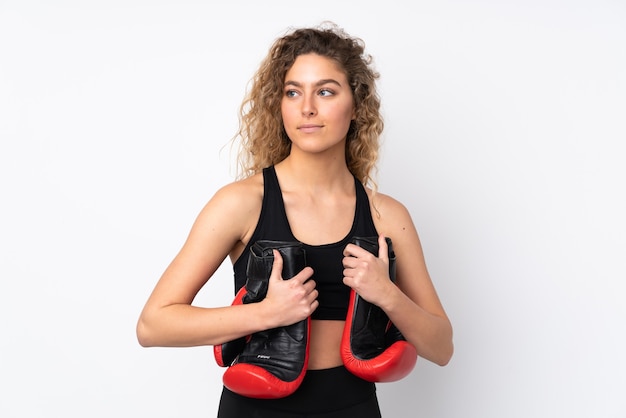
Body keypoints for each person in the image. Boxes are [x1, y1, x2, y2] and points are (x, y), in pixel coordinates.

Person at [136, 22, 453, 417]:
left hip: (352, 407)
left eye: (325, 91)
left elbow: (441, 347)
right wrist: (265, 313)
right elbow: (153, 325)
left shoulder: (386, 215)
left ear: (355, 105)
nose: (307, 108)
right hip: (254, 409)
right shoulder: (241, 203)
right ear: (280, 104)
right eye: (292, 92)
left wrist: (386, 293)